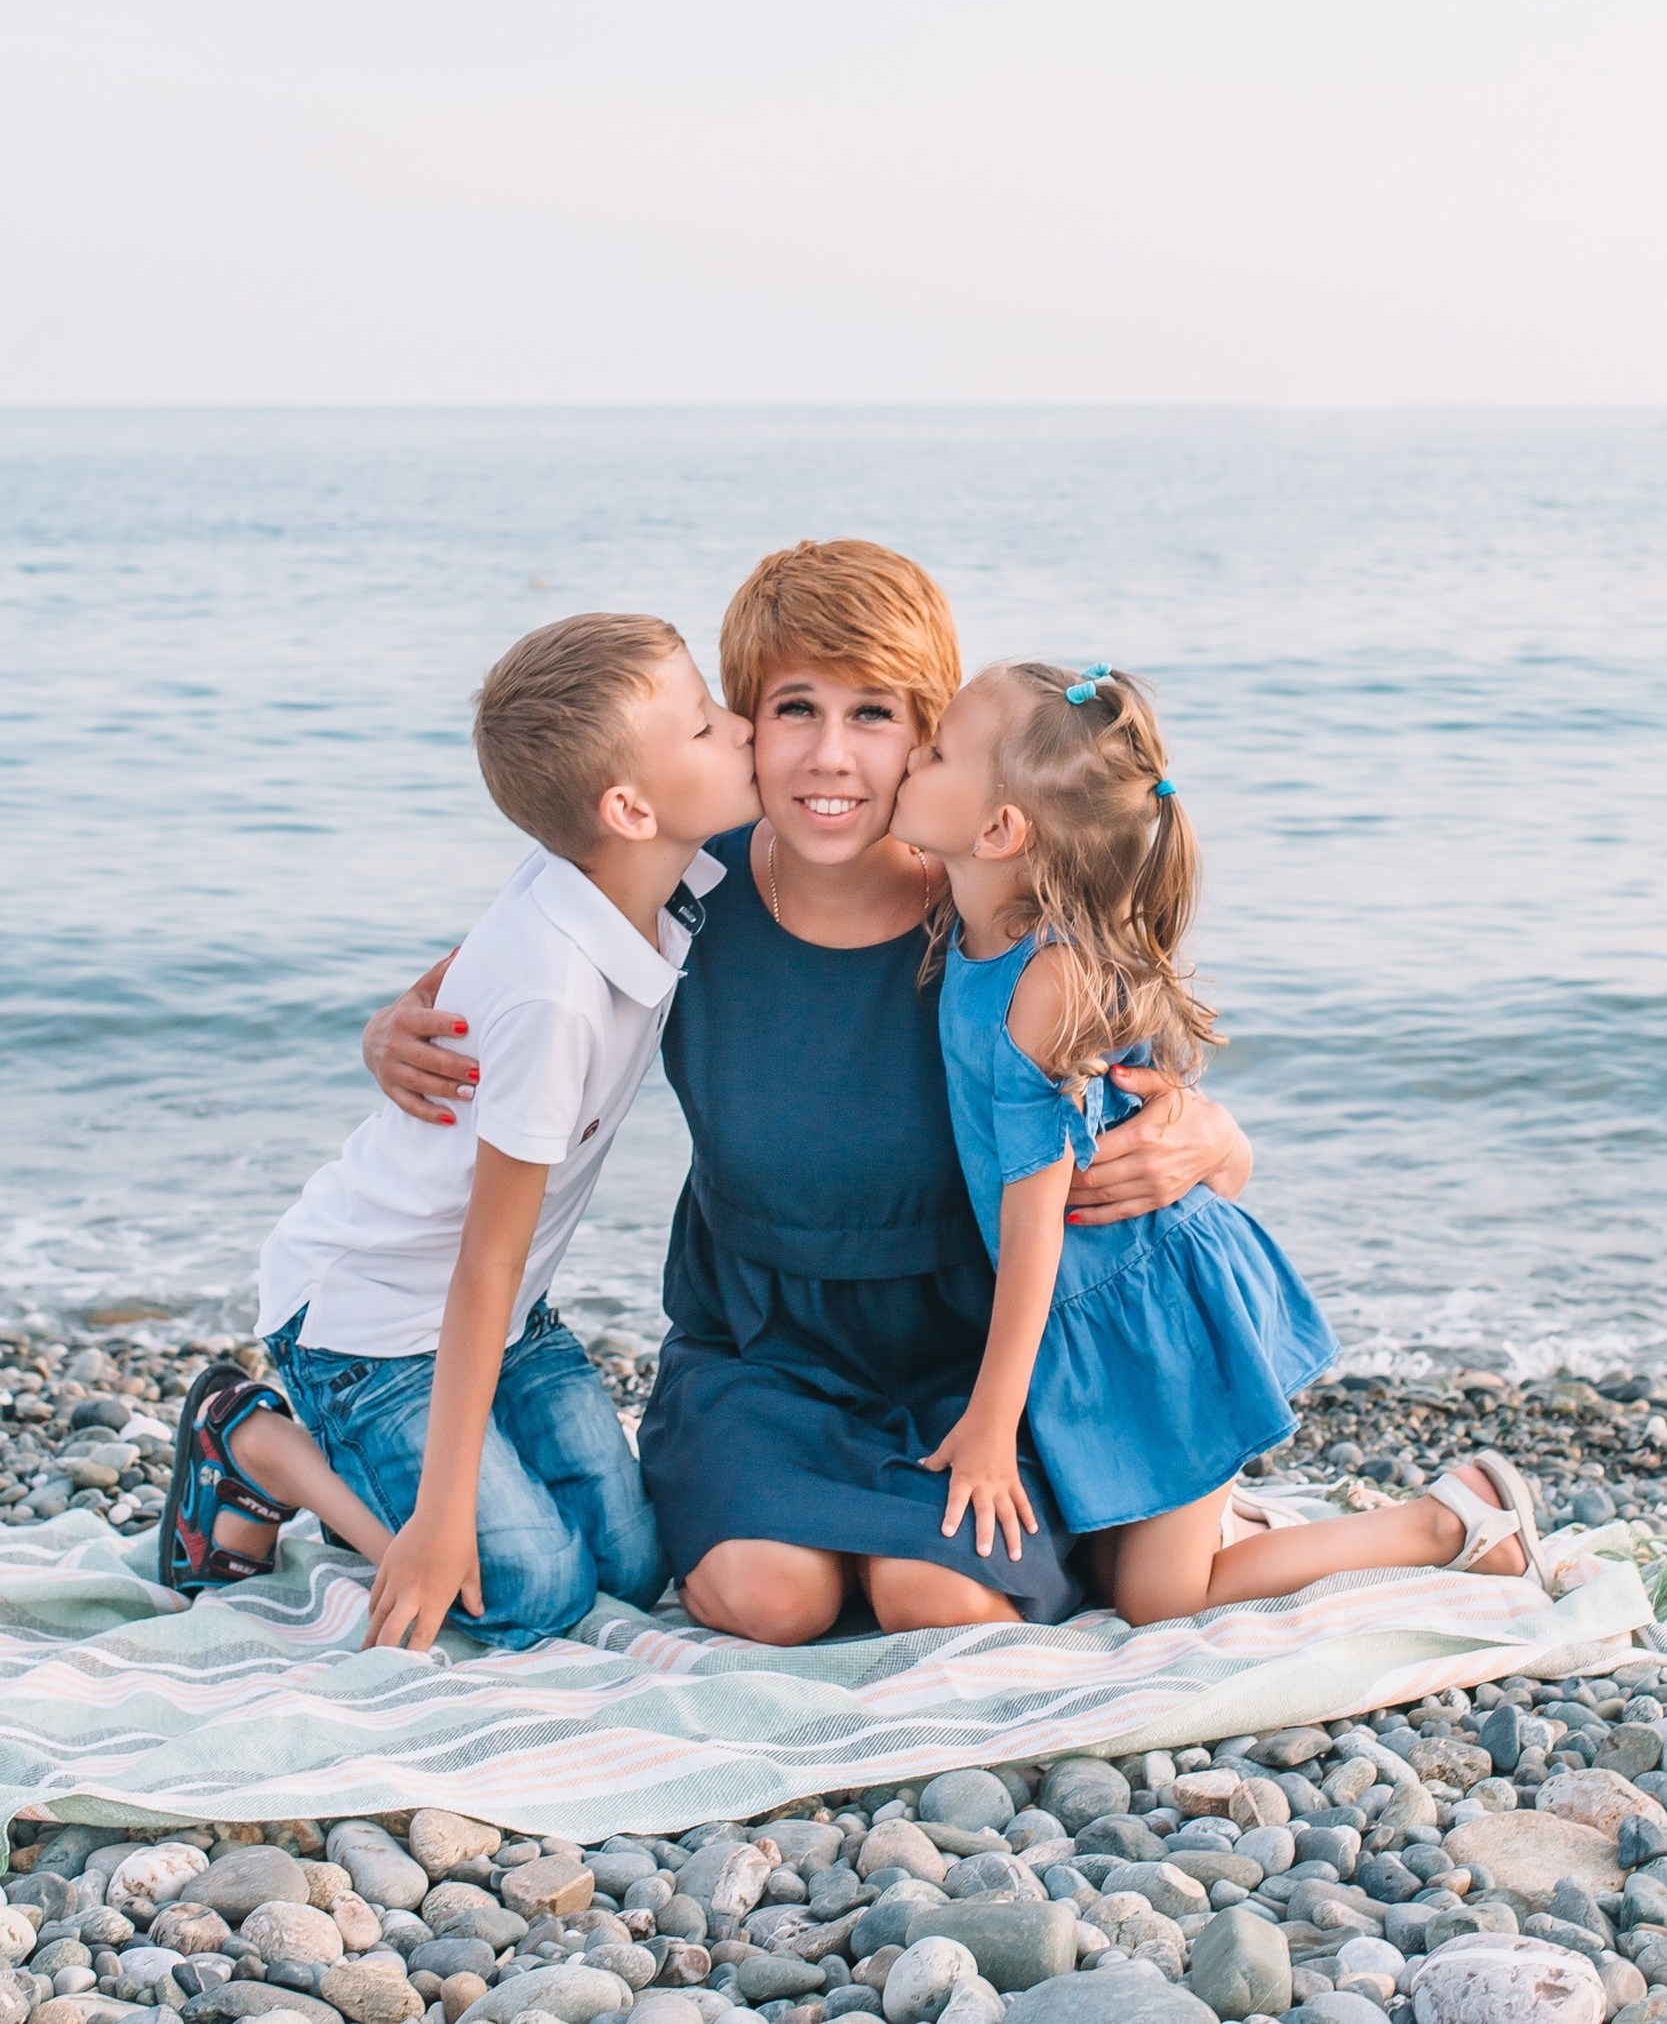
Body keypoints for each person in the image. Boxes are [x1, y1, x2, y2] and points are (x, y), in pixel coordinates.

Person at [367, 543, 1257, 1642]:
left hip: (967, 1357)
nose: (829, 756)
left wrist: (1212, 1140)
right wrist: (389, 1032)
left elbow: (1156, 1108)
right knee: (766, 1599)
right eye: (794, 708)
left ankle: (981, 1533)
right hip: (759, 1345)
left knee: (939, 1603)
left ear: (929, 738)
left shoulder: (996, 916)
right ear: (742, 722)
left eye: (874, 715)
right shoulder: (690, 874)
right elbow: (509, 962)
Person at [889, 659, 1549, 1623]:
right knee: (1125, 1579)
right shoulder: (981, 921)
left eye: (937, 750)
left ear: (998, 831)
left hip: (1155, 1310)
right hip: (1103, 1310)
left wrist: (989, 1428)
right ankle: (1234, 1525)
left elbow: (1033, 1236)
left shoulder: (1045, 983)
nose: (911, 754)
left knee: (1159, 1602)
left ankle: (1449, 1522)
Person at [160, 613, 759, 1652]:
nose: (742, 726)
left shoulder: (639, 879)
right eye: (705, 725)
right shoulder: (557, 992)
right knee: (532, 1593)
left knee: (631, 1564)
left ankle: (426, 1490)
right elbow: (481, 1260)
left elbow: (448, 985)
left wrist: (383, 1023)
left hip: (497, 1308)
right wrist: (434, 1528)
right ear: (626, 807)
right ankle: (254, 1441)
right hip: (369, 1325)